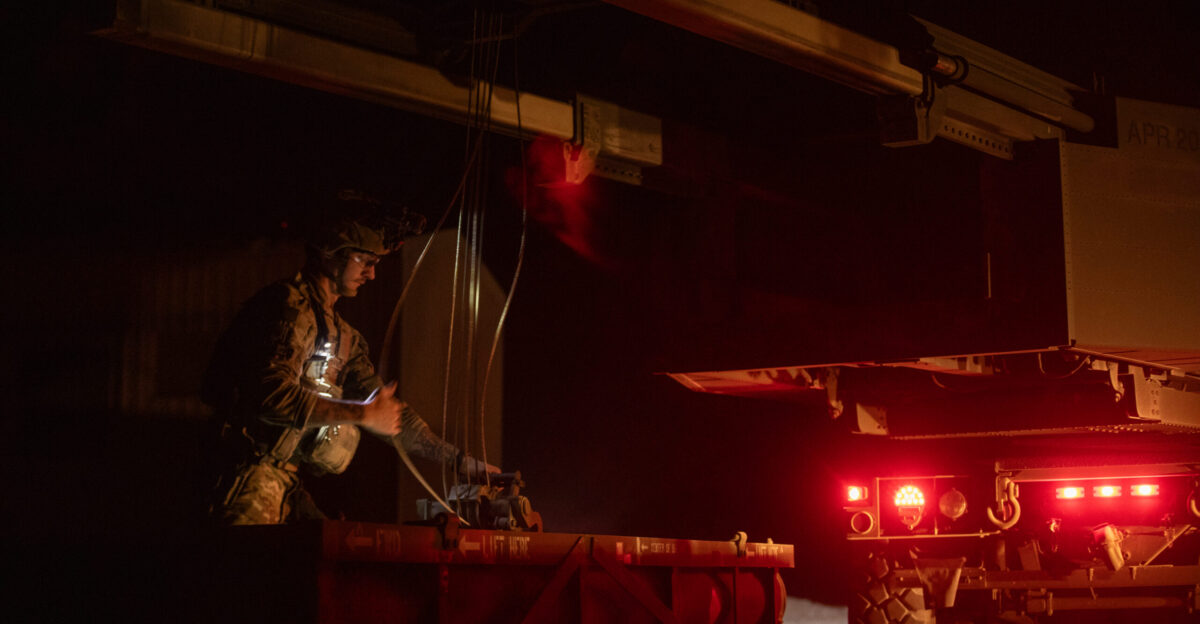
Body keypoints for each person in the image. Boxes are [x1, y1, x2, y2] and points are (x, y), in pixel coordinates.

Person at [201, 192, 497, 525]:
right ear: (331, 255)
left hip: (286, 481)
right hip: (248, 474)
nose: (371, 274)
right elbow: (271, 395)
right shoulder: (287, 309)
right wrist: (362, 414)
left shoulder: (343, 335)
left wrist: (459, 461)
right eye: (365, 261)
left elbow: (389, 415)